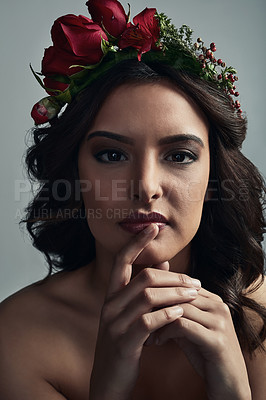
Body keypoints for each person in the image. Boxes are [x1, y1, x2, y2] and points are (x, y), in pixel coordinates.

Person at [0, 1, 265, 399]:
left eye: (179, 156)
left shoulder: (259, 316)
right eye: (112, 155)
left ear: (216, 174)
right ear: (76, 174)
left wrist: (234, 390)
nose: (145, 187)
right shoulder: (16, 336)